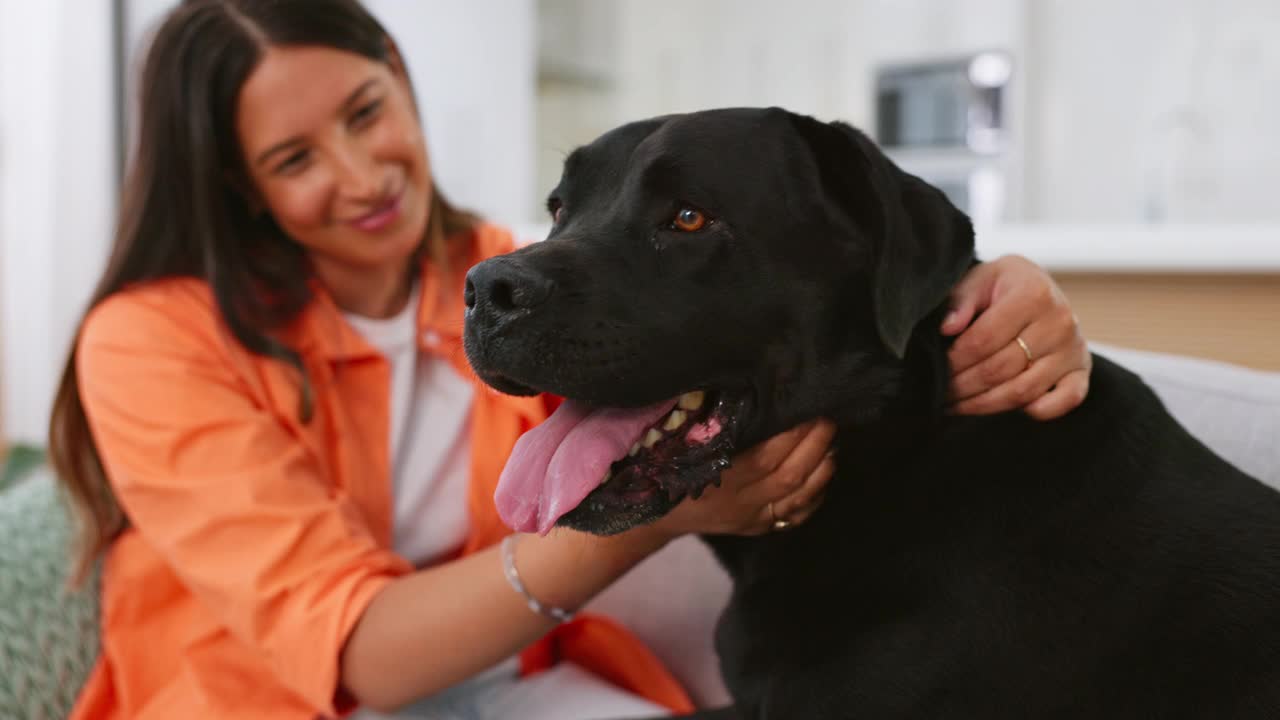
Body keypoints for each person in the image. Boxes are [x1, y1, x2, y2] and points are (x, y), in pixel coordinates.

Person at [48, 1, 1091, 718]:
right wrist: (665, 519)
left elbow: (781, 290)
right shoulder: (151, 337)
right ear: (240, 190)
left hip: (515, 682)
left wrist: (990, 290)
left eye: (365, 112)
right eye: (293, 159)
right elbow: (357, 653)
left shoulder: (507, 271)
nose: (361, 174)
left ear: (397, 81)